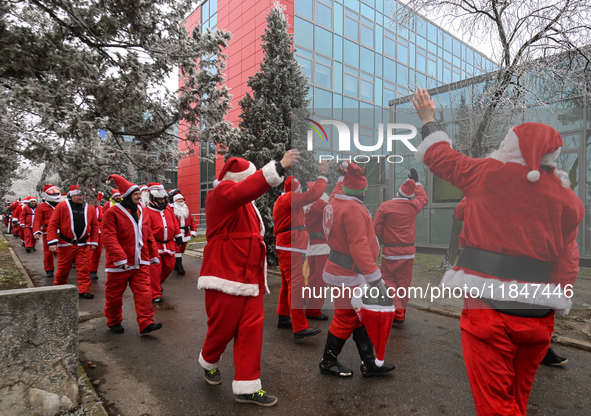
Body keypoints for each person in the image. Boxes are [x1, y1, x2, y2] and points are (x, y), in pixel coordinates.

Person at [411, 88, 584, 416]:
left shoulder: (488, 174)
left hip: (489, 312)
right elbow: (568, 260)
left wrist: (429, 120)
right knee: (517, 399)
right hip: (539, 321)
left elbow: (443, 158)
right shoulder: (568, 201)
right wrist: (556, 301)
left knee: (495, 406)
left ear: (511, 146)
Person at [197, 151, 297, 407]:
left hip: (250, 277)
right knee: (222, 329)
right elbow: (243, 190)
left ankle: (247, 386)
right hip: (224, 275)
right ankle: (208, 360)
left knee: (251, 331)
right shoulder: (221, 194)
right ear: (241, 178)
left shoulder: (244, 203)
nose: (253, 180)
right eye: (250, 176)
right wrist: (278, 167)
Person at [319, 161, 395, 378]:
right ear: (362, 192)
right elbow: (359, 247)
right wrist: (375, 278)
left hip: (343, 271)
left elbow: (337, 188)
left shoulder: (336, 200)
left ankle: (370, 363)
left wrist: (344, 174)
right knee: (346, 317)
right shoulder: (353, 210)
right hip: (349, 274)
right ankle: (328, 362)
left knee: (358, 316)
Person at [273, 162, 328, 338]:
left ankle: (283, 318)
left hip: (286, 245)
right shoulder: (290, 198)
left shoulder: (283, 200)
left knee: (286, 284)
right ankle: (299, 326)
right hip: (290, 246)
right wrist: (323, 175)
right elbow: (315, 194)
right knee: (296, 285)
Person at [102, 175, 162, 335]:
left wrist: (154, 255)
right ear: (127, 195)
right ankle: (113, 320)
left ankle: (146, 323)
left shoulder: (142, 211)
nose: (139, 196)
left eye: (139, 194)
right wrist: (120, 257)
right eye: (136, 194)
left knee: (144, 292)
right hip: (119, 264)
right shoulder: (112, 213)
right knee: (114, 295)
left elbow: (148, 234)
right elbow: (109, 237)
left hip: (140, 261)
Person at [373, 170, 428, 323]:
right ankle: (401, 312)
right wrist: (416, 183)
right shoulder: (414, 206)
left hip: (390, 252)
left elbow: (375, 229)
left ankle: (396, 309)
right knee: (404, 283)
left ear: (398, 193)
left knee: (388, 279)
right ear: (410, 197)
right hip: (408, 252)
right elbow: (423, 198)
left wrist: (374, 250)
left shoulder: (385, 206)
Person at [47, 185, 99, 299]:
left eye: (83, 195)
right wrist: (52, 241)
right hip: (65, 244)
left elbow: (94, 225)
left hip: (83, 244)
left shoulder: (89, 207)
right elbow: (53, 223)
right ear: (72, 195)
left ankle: (83, 290)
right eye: (79, 195)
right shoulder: (62, 206)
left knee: (84, 268)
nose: (81, 197)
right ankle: (59, 289)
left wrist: (94, 242)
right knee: (63, 269)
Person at [144, 182, 182, 302]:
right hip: (155, 244)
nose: (161, 201)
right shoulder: (146, 211)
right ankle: (155, 294)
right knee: (155, 270)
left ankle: (154, 285)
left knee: (170, 266)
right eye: (159, 200)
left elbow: (174, 223)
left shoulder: (168, 210)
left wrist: (178, 235)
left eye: (163, 199)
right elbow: (145, 229)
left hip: (169, 243)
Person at [302, 180, 331, 321]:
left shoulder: (307, 207)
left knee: (309, 277)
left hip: (310, 246)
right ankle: (313, 310)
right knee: (318, 281)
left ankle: (308, 301)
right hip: (320, 247)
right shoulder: (320, 205)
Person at [33, 185, 61, 278]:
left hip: (62, 232)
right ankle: (49, 269)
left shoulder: (62, 205)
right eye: (52, 192)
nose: (56, 194)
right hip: (47, 232)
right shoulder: (41, 207)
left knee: (63, 252)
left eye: (57, 192)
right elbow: (37, 220)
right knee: (48, 252)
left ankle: (62, 269)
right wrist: (36, 231)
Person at [172, 193, 196, 275]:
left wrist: (193, 230)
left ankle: (176, 263)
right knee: (177, 248)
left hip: (185, 232)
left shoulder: (187, 209)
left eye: (182, 199)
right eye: (178, 199)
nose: (181, 200)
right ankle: (179, 266)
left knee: (182, 249)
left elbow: (192, 220)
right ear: (175, 201)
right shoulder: (171, 209)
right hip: (176, 232)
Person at [89, 189, 105, 280]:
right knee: (90, 252)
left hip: (99, 231)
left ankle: (93, 271)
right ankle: (88, 270)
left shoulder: (100, 207)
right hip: (90, 231)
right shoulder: (88, 206)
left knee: (98, 252)